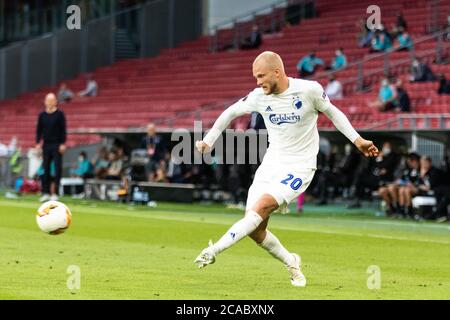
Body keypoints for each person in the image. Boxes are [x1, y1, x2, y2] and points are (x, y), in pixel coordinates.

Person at [194, 51, 379, 287]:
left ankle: (214, 250)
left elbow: (333, 113)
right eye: (255, 78)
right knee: (255, 228)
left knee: (260, 208)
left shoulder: (309, 90)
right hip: (271, 164)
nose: (258, 82)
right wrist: (208, 140)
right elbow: (230, 112)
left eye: (261, 76)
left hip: (300, 166)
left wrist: (358, 140)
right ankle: (291, 261)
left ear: (277, 72)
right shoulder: (259, 96)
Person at [36, 93, 67, 202]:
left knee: (57, 169)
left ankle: (56, 193)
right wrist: (38, 143)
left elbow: (63, 129)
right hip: (46, 145)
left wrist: (63, 143)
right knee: (45, 169)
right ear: (45, 101)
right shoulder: (42, 115)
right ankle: (45, 192)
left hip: (57, 144)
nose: (49, 102)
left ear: (55, 101)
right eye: (48, 100)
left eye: (52, 100)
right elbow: (39, 130)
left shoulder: (60, 114)